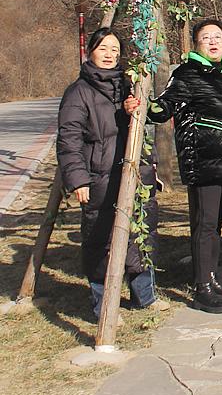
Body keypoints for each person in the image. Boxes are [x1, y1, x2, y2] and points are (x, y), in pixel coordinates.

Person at [57, 27, 167, 319]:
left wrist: (151, 164)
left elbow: (143, 134)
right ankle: (103, 304)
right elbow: (69, 141)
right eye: (103, 48)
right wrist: (78, 179)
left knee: (142, 232)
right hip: (99, 178)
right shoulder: (78, 92)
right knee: (100, 239)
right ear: (91, 51)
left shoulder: (129, 85)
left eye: (115, 50)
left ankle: (144, 296)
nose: (109, 55)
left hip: (134, 173)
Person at [149, 19, 222, 314]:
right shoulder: (187, 73)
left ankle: (211, 277)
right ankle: (202, 287)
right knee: (204, 225)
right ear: (196, 44)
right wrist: (147, 106)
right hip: (203, 159)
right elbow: (163, 107)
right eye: (206, 38)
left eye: (218, 36)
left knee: (214, 225)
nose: (213, 42)